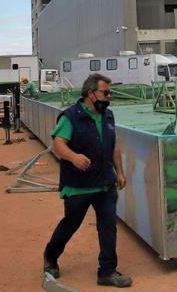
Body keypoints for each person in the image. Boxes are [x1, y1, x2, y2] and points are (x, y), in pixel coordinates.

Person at [43, 75, 131, 288]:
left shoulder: (108, 116)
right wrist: (73, 157)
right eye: (105, 93)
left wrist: (119, 171)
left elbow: (114, 146)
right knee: (70, 224)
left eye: (109, 93)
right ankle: (50, 257)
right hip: (78, 185)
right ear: (91, 93)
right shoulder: (70, 117)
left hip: (105, 183)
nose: (109, 96)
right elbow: (58, 143)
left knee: (108, 226)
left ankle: (107, 272)